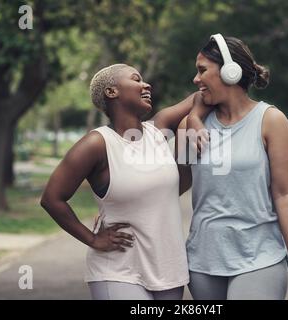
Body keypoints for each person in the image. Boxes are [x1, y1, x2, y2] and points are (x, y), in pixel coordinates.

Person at [176, 34, 288, 300]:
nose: (196, 80)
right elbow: (175, 185)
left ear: (230, 72)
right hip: (202, 261)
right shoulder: (190, 126)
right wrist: (119, 206)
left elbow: (285, 193)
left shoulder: (271, 120)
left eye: (202, 70)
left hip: (260, 257)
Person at [40, 63, 200, 300]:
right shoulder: (97, 143)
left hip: (168, 269)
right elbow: (52, 199)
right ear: (112, 92)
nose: (146, 85)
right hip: (117, 271)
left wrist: (194, 118)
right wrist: (93, 238)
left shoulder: (160, 128)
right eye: (136, 79)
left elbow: (202, 96)